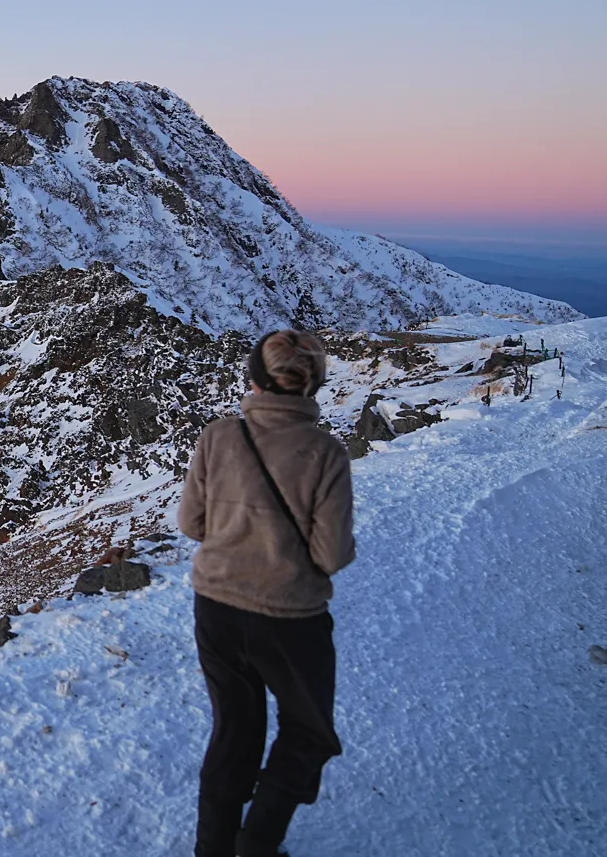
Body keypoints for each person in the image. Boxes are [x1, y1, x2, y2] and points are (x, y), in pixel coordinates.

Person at [178, 329, 356, 856]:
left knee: (234, 730)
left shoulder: (218, 436)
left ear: (255, 380)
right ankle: (257, 844)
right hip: (290, 617)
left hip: (216, 607)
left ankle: (212, 850)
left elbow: (191, 523)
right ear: (314, 385)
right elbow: (330, 556)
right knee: (308, 731)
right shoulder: (326, 453)